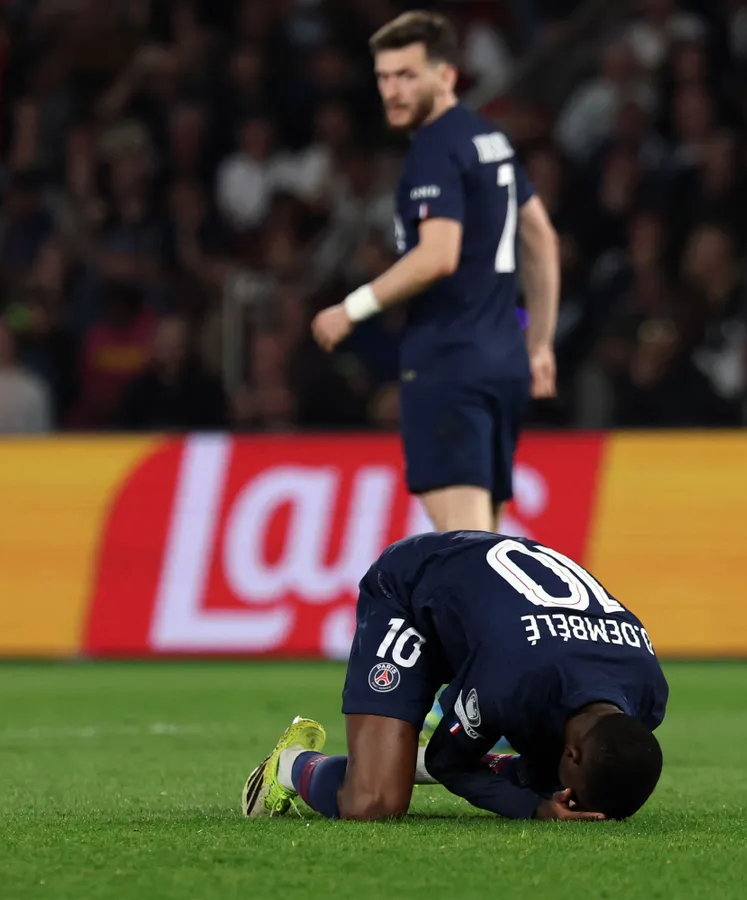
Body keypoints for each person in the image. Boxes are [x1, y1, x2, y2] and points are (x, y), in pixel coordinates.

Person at [310, 12, 561, 533]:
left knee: (466, 554)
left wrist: (350, 309)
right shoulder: (487, 138)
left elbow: (437, 255)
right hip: (500, 364)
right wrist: (538, 344)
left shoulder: (433, 149)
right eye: (384, 77)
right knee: (485, 546)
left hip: (451, 364)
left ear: (446, 75)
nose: (393, 91)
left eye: (408, 75)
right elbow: (540, 237)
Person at [242, 531, 667, 821]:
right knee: (373, 802)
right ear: (572, 754)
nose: (572, 802)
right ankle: (290, 764)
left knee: (545, 778)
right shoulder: (512, 680)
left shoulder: (648, 694)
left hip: (495, 618)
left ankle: (411, 757)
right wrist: (533, 808)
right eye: (577, 795)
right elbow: (449, 762)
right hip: (411, 592)